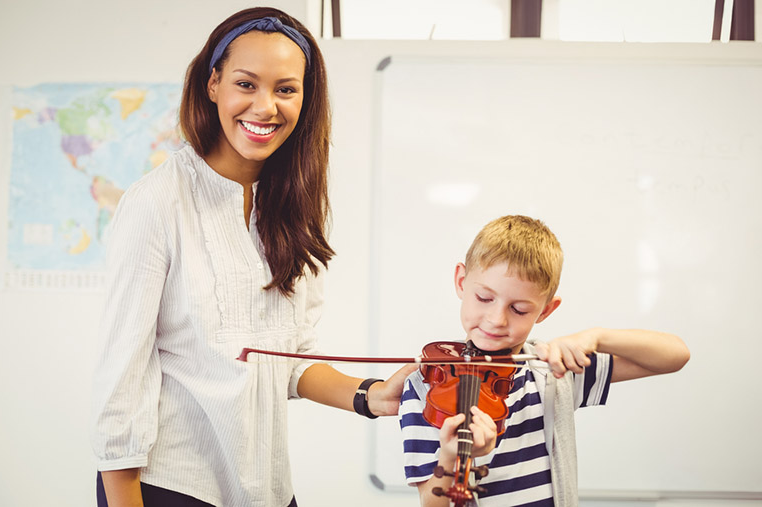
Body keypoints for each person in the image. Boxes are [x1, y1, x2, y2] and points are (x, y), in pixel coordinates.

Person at [90, 7, 412, 507]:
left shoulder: (294, 210)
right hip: (168, 486)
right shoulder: (156, 202)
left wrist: (369, 396)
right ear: (213, 83)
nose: (265, 107)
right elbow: (121, 379)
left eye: (286, 89)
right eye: (246, 84)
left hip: (266, 489)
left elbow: (290, 362)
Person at [399, 215, 690, 507]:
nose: (496, 319)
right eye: (484, 298)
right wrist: (451, 455)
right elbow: (431, 502)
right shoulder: (427, 385)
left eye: (519, 309)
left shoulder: (553, 371)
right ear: (462, 282)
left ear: (545, 310)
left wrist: (597, 336)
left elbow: (675, 355)